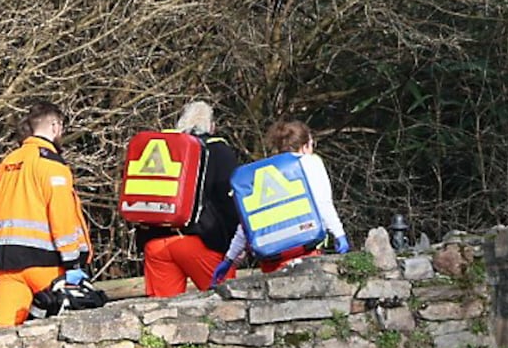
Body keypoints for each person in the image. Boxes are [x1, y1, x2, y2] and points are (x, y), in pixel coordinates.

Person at [0, 102, 92, 327]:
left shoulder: (8, 162)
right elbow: (62, 216)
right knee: (72, 324)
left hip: (8, 264)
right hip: (47, 264)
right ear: (55, 126)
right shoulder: (52, 165)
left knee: (0, 329)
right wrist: (73, 264)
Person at [213, 118, 350, 282]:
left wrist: (229, 259)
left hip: (271, 259)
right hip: (305, 251)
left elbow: (247, 224)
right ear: (305, 146)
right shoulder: (308, 163)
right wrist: (339, 234)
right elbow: (323, 204)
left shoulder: (258, 174)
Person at [137, 100, 242, 298]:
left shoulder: (162, 148)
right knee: (226, 306)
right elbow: (229, 204)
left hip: (156, 244)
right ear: (212, 127)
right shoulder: (219, 151)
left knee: (162, 316)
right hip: (200, 243)